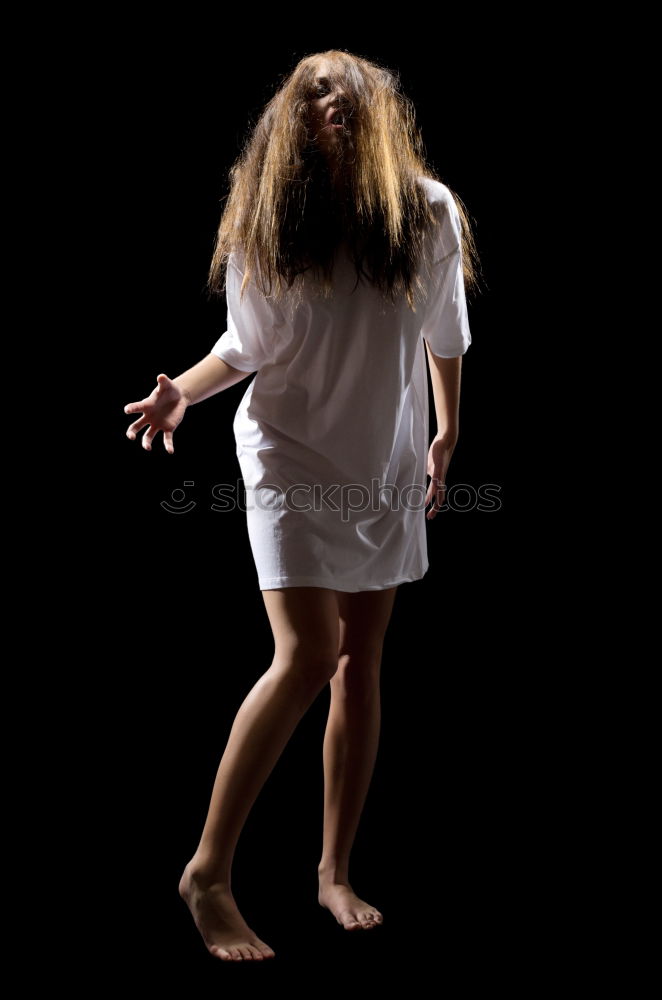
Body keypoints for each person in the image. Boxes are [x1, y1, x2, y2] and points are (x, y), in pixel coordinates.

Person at [123, 49, 480, 963]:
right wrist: (182, 397)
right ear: (293, 115)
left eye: (351, 94)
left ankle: (331, 872)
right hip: (287, 454)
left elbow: (446, 333)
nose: (334, 105)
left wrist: (445, 433)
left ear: (379, 117)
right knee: (310, 654)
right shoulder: (272, 220)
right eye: (316, 93)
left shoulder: (428, 211)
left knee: (363, 662)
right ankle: (206, 872)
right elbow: (244, 347)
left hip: (385, 456)